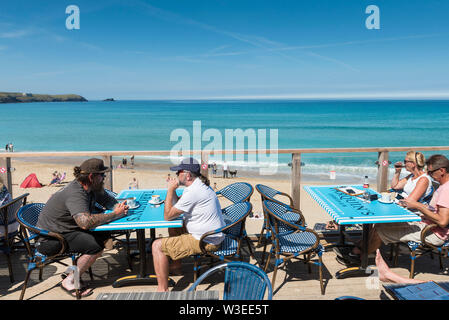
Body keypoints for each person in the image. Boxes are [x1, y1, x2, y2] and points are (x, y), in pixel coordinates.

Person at [36, 158, 128, 298]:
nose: (104, 177)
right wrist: (115, 214)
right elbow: (85, 223)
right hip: (49, 239)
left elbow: (106, 199)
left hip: (64, 230)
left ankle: (72, 271)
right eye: (102, 175)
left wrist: (118, 207)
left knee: (103, 235)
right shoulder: (76, 193)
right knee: (95, 245)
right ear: (91, 177)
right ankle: (69, 280)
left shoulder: (90, 187)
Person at [339, 154, 449, 265]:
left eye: (431, 172)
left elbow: (443, 221)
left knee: (381, 231)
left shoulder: (445, 190)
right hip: (425, 223)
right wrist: (425, 207)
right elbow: (437, 211)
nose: (429, 175)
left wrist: (418, 206)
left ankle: (358, 256)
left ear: (442, 170)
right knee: (380, 224)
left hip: (433, 233)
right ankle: (359, 248)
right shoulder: (443, 186)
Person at [151, 157, 225, 292]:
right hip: (212, 234)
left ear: (188, 175)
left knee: (156, 246)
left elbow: (167, 216)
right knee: (174, 227)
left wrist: (170, 190)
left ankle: (162, 290)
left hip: (206, 240)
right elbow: (179, 205)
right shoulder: (197, 186)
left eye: (178, 172)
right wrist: (173, 191)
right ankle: (176, 266)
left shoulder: (193, 191)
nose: (176, 175)